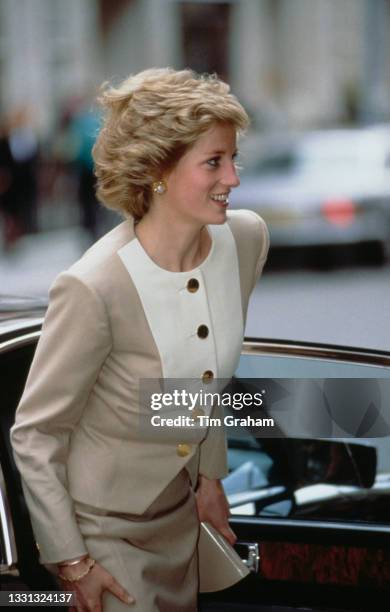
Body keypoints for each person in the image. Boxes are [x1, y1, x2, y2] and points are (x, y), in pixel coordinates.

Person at [11, 67, 269, 612]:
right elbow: (36, 434)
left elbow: (203, 382)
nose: (234, 178)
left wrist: (210, 479)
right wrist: (72, 561)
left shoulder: (245, 240)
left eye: (232, 157)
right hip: (103, 536)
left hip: (179, 518)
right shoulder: (94, 285)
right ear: (157, 170)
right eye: (214, 162)